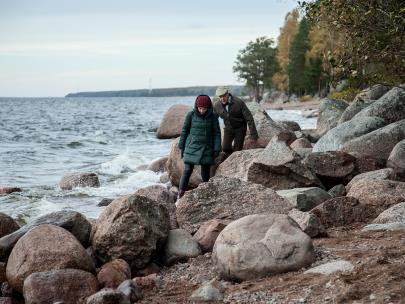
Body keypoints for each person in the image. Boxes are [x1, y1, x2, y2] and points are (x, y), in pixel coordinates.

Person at [177, 95, 221, 199]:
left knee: (205, 171)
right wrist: (181, 146)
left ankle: (207, 192)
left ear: (208, 107)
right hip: (191, 146)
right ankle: (180, 194)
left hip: (206, 147)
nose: (201, 110)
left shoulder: (213, 117)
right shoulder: (191, 115)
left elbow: (217, 133)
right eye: (200, 108)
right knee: (187, 170)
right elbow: (184, 131)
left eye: (204, 108)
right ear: (196, 106)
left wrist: (217, 148)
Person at [213, 86, 258, 155]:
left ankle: (235, 160)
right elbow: (213, 120)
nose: (222, 99)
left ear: (228, 94)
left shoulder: (239, 102)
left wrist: (254, 135)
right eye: (220, 97)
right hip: (228, 129)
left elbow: (249, 118)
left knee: (237, 151)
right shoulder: (217, 105)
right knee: (225, 148)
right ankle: (230, 160)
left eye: (224, 96)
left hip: (240, 129)